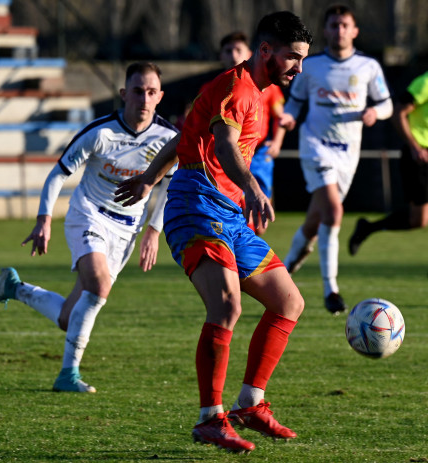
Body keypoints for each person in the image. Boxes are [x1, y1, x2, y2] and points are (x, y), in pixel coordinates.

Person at [115, 11, 312, 454]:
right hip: (195, 205)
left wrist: (148, 177)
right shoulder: (236, 87)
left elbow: (184, 134)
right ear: (266, 52)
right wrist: (255, 188)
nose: (298, 68)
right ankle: (210, 417)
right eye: (293, 58)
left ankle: (251, 404)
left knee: (289, 302)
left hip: (230, 215)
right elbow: (223, 143)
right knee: (227, 304)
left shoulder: (258, 94)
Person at [0, 62, 178, 393]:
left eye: (151, 92)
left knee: (69, 317)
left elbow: (170, 186)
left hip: (126, 230)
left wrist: (153, 232)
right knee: (99, 288)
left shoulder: (168, 139)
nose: (144, 98)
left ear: (160, 96)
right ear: (124, 94)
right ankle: (67, 375)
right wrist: (44, 218)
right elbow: (59, 173)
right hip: (88, 215)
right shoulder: (100, 132)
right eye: (138, 91)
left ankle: (13, 288)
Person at [281, 4, 393, 314]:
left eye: (344, 25)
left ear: (354, 31)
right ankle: (331, 289)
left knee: (318, 219)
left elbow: (387, 105)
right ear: (326, 30)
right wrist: (286, 120)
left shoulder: (368, 67)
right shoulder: (311, 66)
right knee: (333, 210)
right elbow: (295, 103)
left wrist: (375, 112)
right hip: (315, 146)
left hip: (348, 153)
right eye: (333, 25)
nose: (339, 30)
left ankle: (286, 267)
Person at [348, 33, 428, 280]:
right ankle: (368, 227)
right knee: (420, 220)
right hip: (417, 156)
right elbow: (398, 112)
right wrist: (414, 146)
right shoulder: (426, 82)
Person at [215, 31, 288, 236]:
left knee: (260, 218)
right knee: (231, 211)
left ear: (249, 53)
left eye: (238, 50)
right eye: (228, 51)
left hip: (259, 152)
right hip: (229, 154)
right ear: (221, 55)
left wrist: (277, 143)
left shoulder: (265, 86)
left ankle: (247, 250)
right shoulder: (213, 87)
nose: (233, 55)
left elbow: (281, 117)